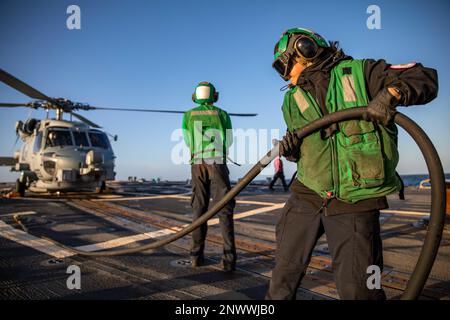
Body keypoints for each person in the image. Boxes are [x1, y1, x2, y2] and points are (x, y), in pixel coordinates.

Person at [267, 28, 438, 299]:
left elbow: (425, 78)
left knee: (360, 290)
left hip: (356, 200)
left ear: (305, 50)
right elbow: (305, 150)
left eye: (283, 65)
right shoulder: (291, 99)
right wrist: (291, 151)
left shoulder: (362, 73)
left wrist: (391, 93)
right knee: (282, 279)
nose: (284, 74)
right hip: (307, 193)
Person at [182, 81, 236, 272]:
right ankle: (229, 259)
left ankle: (196, 256)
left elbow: (187, 140)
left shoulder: (188, 115)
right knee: (224, 208)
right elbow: (229, 140)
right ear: (215, 96)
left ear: (195, 96)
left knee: (199, 208)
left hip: (197, 164)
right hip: (217, 163)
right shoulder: (222, 114)